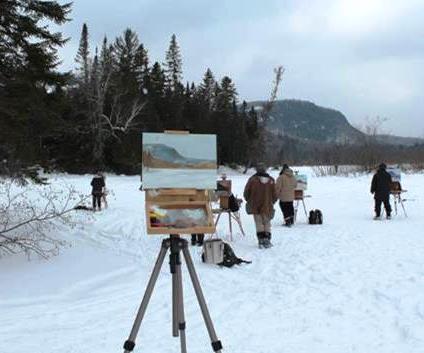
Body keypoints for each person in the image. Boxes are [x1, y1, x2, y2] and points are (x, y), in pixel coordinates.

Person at [243, 163, 277, 248]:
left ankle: (261, 240)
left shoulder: (252, 180)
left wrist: (250, 200)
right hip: (267, 205)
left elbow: (246, 193)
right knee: (267, 222)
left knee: (258, 222)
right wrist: (271, 202)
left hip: (255, 204)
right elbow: (275, 195)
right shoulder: (271, 180)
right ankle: (267, 239)